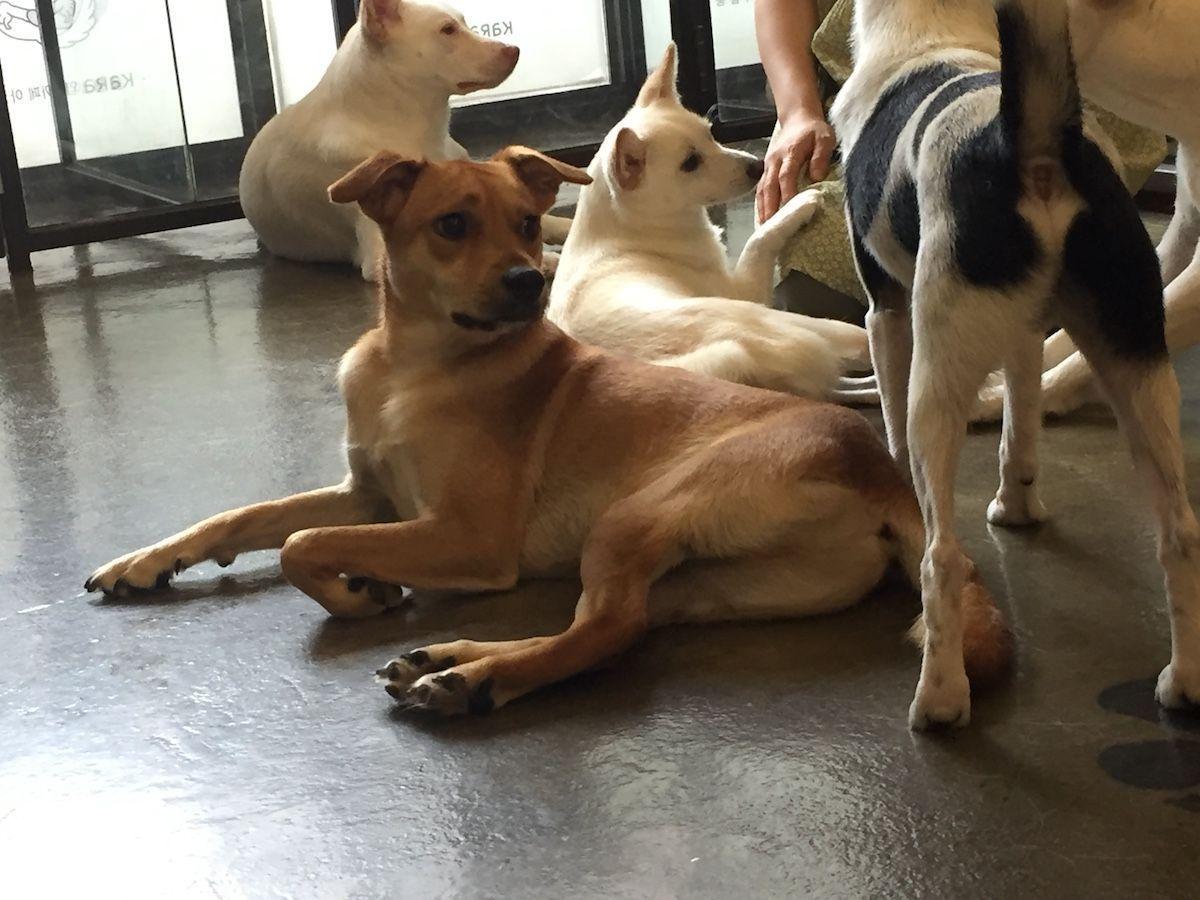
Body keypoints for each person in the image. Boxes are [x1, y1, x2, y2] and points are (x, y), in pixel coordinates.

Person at [753, 0, 1168, 322]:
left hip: (1044, 77)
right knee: (812, 290)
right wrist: (797, 113)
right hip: (880, 81)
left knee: (1042, 275)